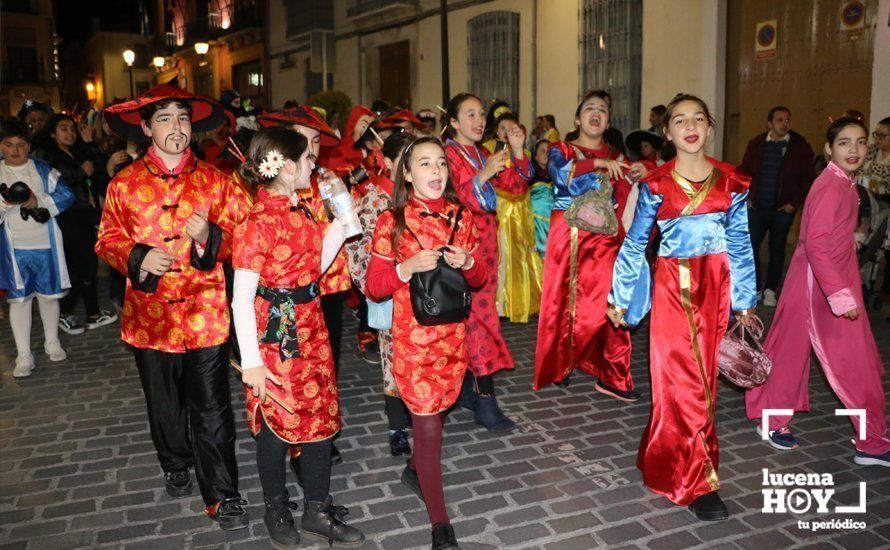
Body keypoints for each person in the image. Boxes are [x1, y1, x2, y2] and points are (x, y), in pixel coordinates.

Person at [96, 84, 251, 529]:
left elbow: (249, 239)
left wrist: (211, 238)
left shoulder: (218, 182)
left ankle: (222, 494)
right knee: (164, 403)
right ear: (145, 128)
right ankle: (174, 459)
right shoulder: (123, 185)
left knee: (213, 407)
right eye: (164, 119)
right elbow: (106, 239)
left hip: (206, 312)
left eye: (182, 118)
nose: (176, 128)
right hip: (152, 314)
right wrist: (137, 256)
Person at [607, 94, 757, 521]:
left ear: (710, 127)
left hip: (717, 290)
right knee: (682, 384)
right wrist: (620, 297)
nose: (689, 126)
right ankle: (699, 482)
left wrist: (745, 302)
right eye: (679, 120)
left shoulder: (734, 182)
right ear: (668, 133)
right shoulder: (655, 183)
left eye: (698, 119)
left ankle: (662, 455)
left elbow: (742, 245)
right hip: (673, 290)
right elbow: (636, 243)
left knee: (704, 385)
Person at [231, 127, 364, 549]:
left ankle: (317, 510)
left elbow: (313, 269)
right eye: (308, 159)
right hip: (276, 338)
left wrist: (342, 225)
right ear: (287, 167)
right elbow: (240, 299)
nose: (314, 164)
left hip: (312, 328)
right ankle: (276, 506)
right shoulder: (255, 224)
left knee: (321, 421)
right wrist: (251, 361)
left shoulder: (300, 210)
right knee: (276, 424)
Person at [745, 118, 890, 467]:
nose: (853, 150)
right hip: (822, 288)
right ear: (828, 149)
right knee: (856, 363)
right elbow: (817, 247)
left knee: (790, 350)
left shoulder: (843, 184)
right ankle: (871, 442)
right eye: (843, 143)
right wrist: (840, 297)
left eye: (859, 142)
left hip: (819, 283)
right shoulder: (831, 186)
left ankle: (773, 416)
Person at [365, 136, 486, 550]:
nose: (435, 172)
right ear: (407, 173)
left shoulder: (461, 215)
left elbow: (480, 277)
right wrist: (405, 267)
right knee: (429, 424)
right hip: (413, 343)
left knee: (434, 417)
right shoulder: (391, 221)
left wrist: (468, 262)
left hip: (452, 338)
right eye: (424, 164)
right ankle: (440, 523)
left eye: (441, 164)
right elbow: (374, 286)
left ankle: (415, 469)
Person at [533, 90, 645, 398]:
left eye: (603, 110)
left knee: (612, 298)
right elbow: (558, 174)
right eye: (590, 108)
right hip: (566, 231)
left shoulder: (618, 156)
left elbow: (628, 198)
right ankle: (561, 363)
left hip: (604, 236)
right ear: (577, 118)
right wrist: (595, 163)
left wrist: (641, 174)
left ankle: (613, 372)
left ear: (608, 121)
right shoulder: (561, 148)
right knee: (563, 300)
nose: (596, 113)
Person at [442, 93, 531, 432]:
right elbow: (448, 197)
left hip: (488, 248)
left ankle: (467, 389)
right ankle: (486, 400)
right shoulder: (447, 155)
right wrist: (482, 175)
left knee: (477, 318)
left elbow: (516, 185)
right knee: (477, 320)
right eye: (470, 115)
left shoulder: (482, 152)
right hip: (462, 248)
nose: (479, 121)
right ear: (452, 122)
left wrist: (518, 150)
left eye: (481, 114)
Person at [345, 131, 415, 457]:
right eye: (403, 159)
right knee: (392, 357)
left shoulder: (422, 194)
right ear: (386, 162)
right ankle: (396, 425)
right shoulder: (372, 199)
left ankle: (420, 410)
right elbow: (356, 250)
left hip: (422, 294)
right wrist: (376, 287)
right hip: (390, 290)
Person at [1, 118, 74, 378]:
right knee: (19, 301)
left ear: (28, 146)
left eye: (20, 144)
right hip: (13, 249)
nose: (15, 150)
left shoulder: (43, 170)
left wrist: (36, 201)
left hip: (45, 245)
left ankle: (52, 341)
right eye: (9, 145)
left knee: (49, 295)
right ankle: (23, 354)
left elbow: (67, 195)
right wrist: (6, 203)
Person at [32, 113, 117, 334]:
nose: (70, 133)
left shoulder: (75, 151)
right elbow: (50, 183)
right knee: (82, 267)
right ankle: (66, 313)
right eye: (63, 129)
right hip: (68, 215)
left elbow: (97, 170)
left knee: (87, 264)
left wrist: (89, 143)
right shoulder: (46, 154)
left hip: (85, 213)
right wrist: (80, 172)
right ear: (52, 132)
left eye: (72, 128)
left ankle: (92, 314)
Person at [739, 106, 815, 306]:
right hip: (757, 207)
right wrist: (747, 196)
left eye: (787, 120)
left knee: (777, 248)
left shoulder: (800, 147)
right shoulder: (756, 144)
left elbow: (807, 179)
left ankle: (771, 289)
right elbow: (744, 171)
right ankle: (755, 287)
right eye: (780, 120)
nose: (785, 124)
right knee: (751, 246)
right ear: (770, 123)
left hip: (783, 209)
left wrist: (793, 203)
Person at [482, 111, 544, 322]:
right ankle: (498, 304)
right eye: (503, 128)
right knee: (500, 255)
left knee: (519, 255)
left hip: (518, 211)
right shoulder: (489, 149)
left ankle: (516, 302)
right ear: (497, 131)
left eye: (512, 128)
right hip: (499, 209)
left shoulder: (521, 151)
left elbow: (526, 179)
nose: (507, 132)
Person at [529, 139, 554, 258]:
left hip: (555, 226)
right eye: (542, 151)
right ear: (535, 156)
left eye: (549, 151)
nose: (546, 153)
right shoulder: (529, 176)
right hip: (536, 226)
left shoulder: (560, 175)